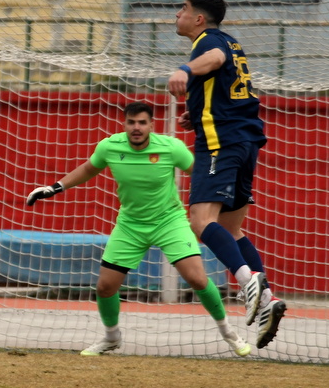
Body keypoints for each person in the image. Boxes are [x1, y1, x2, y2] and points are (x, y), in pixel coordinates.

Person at [26, 102, 251, 357]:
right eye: (131, 122)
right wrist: (55, 187)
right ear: (124, 124)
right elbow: (89, 168)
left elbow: (201, 173)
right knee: (105, 287)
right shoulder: (110, 146)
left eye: (142, 123)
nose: (136, 128)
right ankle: (111, 338)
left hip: (170, 222)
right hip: (130, 225)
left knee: (198, 279)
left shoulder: (171, 147)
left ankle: (229, 333)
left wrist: (229, 195)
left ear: (151, 125)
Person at [166, 0, 286, 349]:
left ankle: (249, 282)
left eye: (183, 9)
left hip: (222, 144)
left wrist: (184, 69)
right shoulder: (231, 42)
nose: (177, 15)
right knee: (232, 229)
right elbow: (225, 84)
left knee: (201, 222)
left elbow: (214, 59)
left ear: (198, 18)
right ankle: (267, 300)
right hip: (245, 142)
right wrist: (197, 112)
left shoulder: (211, 42)